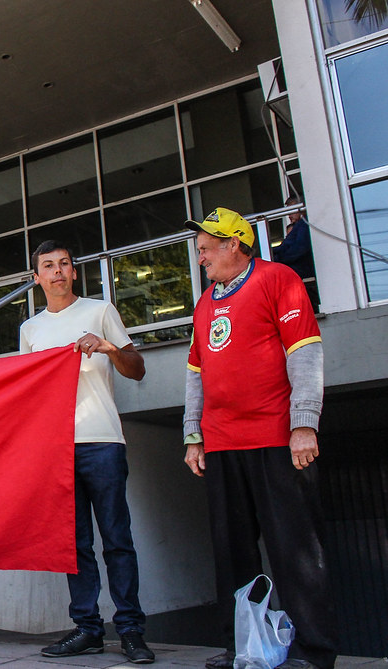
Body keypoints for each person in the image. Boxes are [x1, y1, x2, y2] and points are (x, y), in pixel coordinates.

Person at [183, 208, 335, 669]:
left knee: (295, 550)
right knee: (232, 554)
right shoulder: (205, 301)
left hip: (275, 437)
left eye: (207, 242)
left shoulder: (278, 279)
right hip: (222, 443)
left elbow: (305, 354)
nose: (200, 252)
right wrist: (193, 436)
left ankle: (311, 652)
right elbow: (196, 375)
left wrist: (304, 424)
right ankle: (245, 647)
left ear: (234, 243)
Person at [19, 240, 154, 664]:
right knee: (74, 545)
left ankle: (131, 631)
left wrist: (110, 347)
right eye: (48, 266)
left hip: (102, 441)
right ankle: (88, 629)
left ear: (74, 272)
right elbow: (27, 393)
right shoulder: (30, 330)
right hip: (56, 447)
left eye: (64, 264)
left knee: (117, 540)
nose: (57, 271)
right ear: (36, 277)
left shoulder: (100, 311)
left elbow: (137, 368)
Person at [272, 196, 319, 313]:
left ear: (300, 207)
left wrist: (277, 259)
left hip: (302, 271)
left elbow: (299, 249)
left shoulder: (305, 224)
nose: (289, 215)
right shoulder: (300, 226)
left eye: (291, 210)